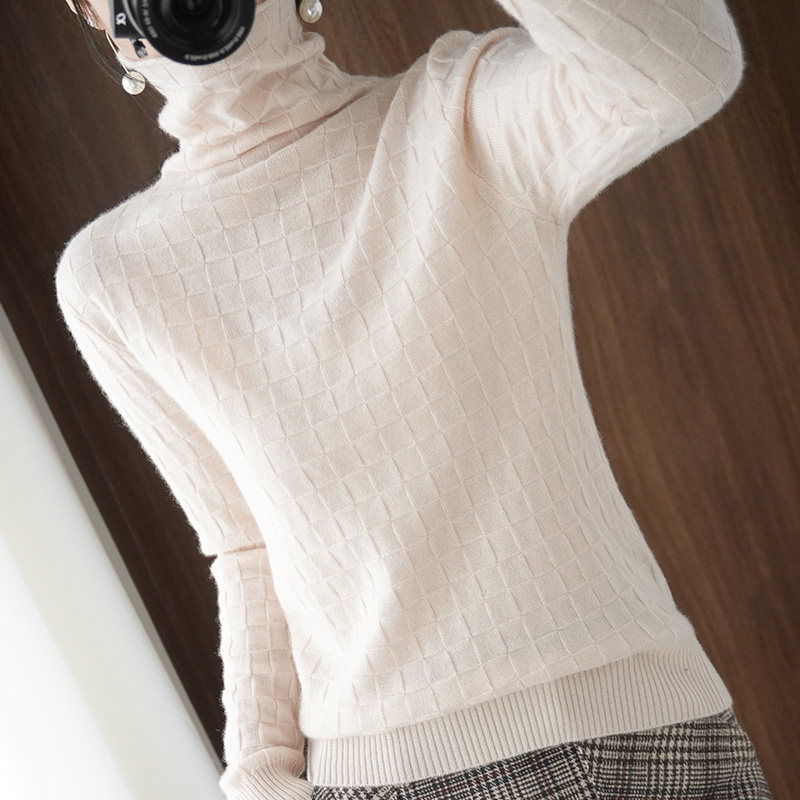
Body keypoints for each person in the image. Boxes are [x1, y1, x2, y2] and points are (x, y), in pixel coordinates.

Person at [57, 1, 774, 799]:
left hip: (655, 741)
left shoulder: (457, 113)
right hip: (394, 779)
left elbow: (681, 68)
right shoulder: (112, 278)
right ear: (87, 9)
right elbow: (246, 547)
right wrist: (258, 775)